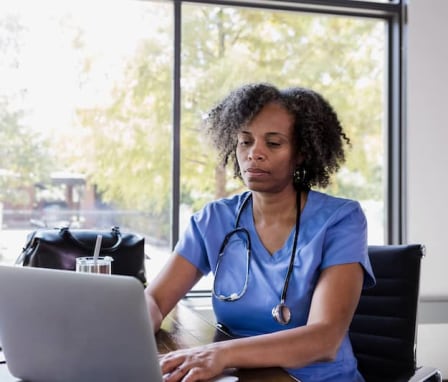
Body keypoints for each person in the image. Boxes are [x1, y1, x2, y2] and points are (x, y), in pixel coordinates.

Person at [145, 82, 376, 382]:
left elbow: (325, 339)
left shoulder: (341, 220)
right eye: (245, 141)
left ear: (301, 152)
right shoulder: (214, 219)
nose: (255, 154)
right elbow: (155, 300)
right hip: (246, 377)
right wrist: (141, 320)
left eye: (274, 143)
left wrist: (222, 354)